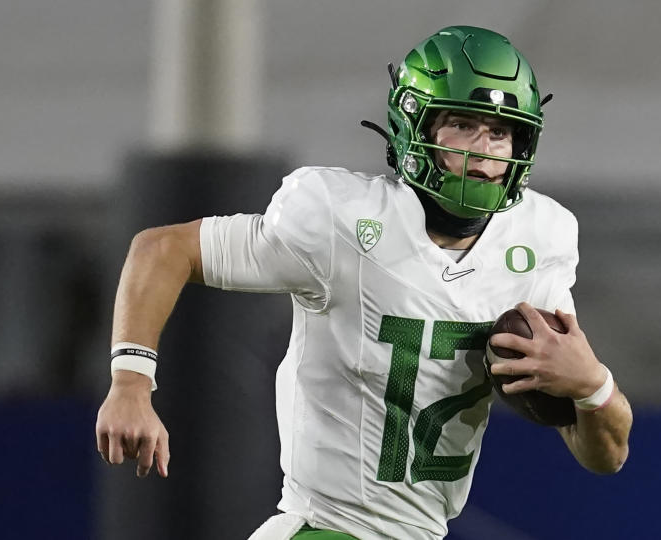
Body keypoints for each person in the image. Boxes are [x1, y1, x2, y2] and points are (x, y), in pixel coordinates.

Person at [95, 25, 632, 540]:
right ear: (414, 126)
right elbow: (162, 248)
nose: (482, 150)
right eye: (462, 125)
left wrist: (592, 386)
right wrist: (130, 383)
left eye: (499, 131)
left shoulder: (541, 239)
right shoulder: (342, 219)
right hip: (329, 527)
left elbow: (606, 456)